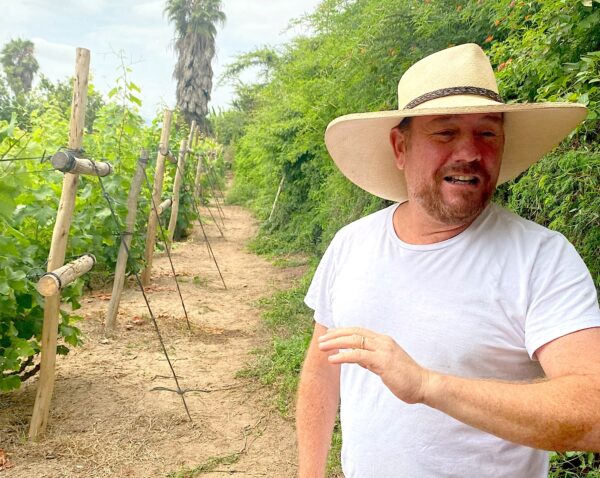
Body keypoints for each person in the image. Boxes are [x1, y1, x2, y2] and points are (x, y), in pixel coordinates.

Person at [296, 43, 600, 478]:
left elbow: (592, 407)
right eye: (445, 132)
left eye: (488, 133)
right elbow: (321, 371)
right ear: (401, 147)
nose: (470, 152)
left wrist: (428, 385)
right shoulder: (352, 244)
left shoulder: (541, 258)